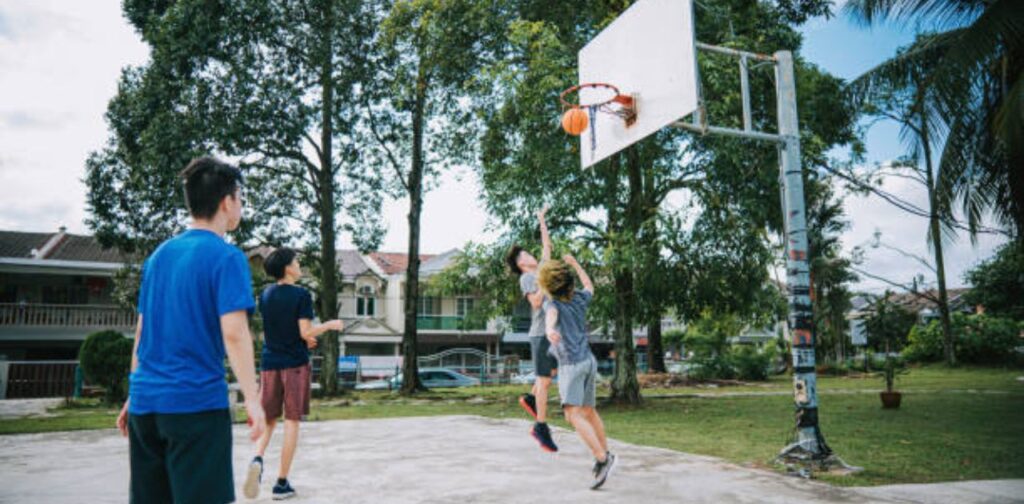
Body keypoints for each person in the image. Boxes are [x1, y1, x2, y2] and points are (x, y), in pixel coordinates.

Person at [116, 156, 266, 504]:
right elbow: (234, 334)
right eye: (240, 198)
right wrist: (253, 401)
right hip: (194, 406)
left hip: (145, 406)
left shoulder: (159, 256)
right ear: (227, 202)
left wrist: (133, 392)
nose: (240, 206)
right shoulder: (226, 258)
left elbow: (143, 334)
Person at [243, 248, 344, 500]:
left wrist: (304, 338)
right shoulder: (301, 294)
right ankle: (281, 483)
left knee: (269, 420)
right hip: (294, 365)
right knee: (292, 420)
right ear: (288, 268)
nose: (300, 265)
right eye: (297, 261)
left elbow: (277, 331)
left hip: (269, 363)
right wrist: (330, 325)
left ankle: (257, 457)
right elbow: (304, 331)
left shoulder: (264, 295)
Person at [539, 255, 617, 490]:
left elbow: (551, 319)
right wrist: (575, 263)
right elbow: (590, 285)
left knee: (572, 415)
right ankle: (605, 455)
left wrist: (549, 329)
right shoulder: (581, 298)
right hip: (588, 361)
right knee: (589, 412)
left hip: (572, 365)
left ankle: (602, 459)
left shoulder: (553, 304)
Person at [505, 206, 558, 452]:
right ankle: (540, 426)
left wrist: (542, 219)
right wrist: (545, 285)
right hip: (539, 334)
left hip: (550, 333)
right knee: (545, 381)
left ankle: (530, 398)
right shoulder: (527, 278)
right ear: (521, 263)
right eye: (525, 254)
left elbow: (548, 247)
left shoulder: (541, 271)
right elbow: (535, 302)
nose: (531, 254)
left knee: (549, 376)